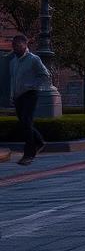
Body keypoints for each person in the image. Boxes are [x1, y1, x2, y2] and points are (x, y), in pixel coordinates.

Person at [9, 33, 49, 166]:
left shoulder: (34, 59)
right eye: (13, 45)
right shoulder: (13, 61)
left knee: (26, 122)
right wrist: (12, 94)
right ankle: (39, 142)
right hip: (18, 96)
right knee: (25, 124)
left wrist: (32, 86)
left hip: (30, 94)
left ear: (25, 44)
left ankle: (29, 154)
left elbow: (45, 75)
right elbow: (13, 80)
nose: (15, 47)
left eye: (18, 45)